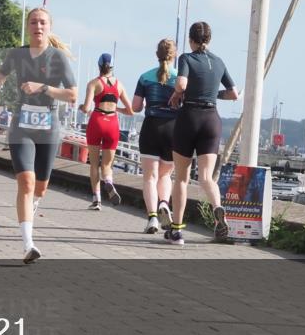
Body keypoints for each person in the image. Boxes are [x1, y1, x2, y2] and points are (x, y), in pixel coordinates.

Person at [0, 7, 77, 264]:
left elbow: (72, 94)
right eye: (34, 22)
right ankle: (28, 243)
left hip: (48, 124)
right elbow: (0, 74)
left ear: (49, 27)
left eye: (43, 23)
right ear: (28, 26)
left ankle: (33, 204)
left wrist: (45, 88)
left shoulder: (58, 57)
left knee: (41, 186)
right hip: (22, 124)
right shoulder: (18, 54)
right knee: (26, 183)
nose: (38, 26)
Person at [167, 21, 240, 245]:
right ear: (209, 40)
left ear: (191, 40)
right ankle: (218, 212)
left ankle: (177, 231)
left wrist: (181, 91)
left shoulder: (187, 59)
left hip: (190, 118)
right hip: (212, 120)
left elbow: (180, 84)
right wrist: (212, 94)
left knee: (181, 177)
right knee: (207, 177)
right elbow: (234, 94)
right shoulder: (218, 62)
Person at [133, 39, 178, 234]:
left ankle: (152, 218)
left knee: (149, 177)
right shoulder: (180, 79)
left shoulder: (145, 77)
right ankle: (164, 204)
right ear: (173, 54)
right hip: (172, 129)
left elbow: (135, 107)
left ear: (156, 54)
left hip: (150, 127)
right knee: (166, 174)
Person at [79, 53, 134, 210]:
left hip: (96, 121)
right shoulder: (120, 85)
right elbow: (130, 111)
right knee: (107, 164)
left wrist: (81, 107)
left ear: (99, 66)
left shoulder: (93, 84)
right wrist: (116, 108)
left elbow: (87, 108)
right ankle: (109, 182)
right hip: (112, 124)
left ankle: (97, 199)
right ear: (112, 67)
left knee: (94, 164)